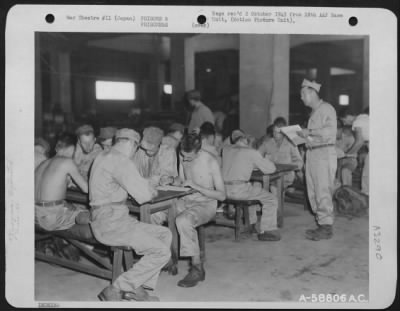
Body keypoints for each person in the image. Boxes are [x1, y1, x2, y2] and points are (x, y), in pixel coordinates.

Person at [89, 128, 172, 302]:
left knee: (164, 234)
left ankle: (137, 287)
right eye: (136, 148)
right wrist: (151, 188)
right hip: (112, 223)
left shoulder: (103, 156)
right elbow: (144, 196)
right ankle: (118, 288)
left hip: (109, 219)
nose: (135, 152)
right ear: (131, 144)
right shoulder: (121, 161)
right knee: (162, 252)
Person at [151, 133, 226, 288]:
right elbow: (182, 179)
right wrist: (171, 180)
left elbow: (222, 195)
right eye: (182, 156)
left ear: (198, 151)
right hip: (186, 200)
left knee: (183, 220)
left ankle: (197, 268)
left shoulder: (211, 162)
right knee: (155, 213)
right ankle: (163, 257)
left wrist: (197, 187)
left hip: (206, 203)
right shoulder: (183, 153)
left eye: (188, 158)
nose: (184, 160)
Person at [297, 79, 337, 241]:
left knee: (322, 190)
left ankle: (326, 227)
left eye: (303, 95)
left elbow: (330, 131)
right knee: (313, 191)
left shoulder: (326, 109)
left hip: (323, 154)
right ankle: (322, 224)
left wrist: (309, 131)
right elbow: (313, 135)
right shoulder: (314, 113)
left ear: (312, 93)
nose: (301, 98)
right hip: (313, 153)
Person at [222, 129, 280, 241]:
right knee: (271, 199)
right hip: (239, 190)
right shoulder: (250, 152)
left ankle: (251, 225)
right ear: (246, 141)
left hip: (223, 190)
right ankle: (267, 230)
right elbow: (271, 169)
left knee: (253, 190)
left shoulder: (226, 149)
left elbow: (238, 163)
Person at [35, 133, 90, 231]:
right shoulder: (67, 162)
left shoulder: (44, 163)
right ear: (73, 147)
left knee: (73, 208)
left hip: (35, 215)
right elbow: (86, 189)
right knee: (91, 214)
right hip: (50, 219)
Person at [258, 117, 303, 189]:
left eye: (277, 132)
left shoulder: (291, 144)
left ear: (283, 133)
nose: (275, 134)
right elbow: (257, 155)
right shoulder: (268, 143)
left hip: (286, 178)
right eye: (273, 132)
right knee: (258, 184)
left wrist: (287, 167)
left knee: (274, 188)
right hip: (271, 176)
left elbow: (299, 163)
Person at [346, 107, 369, 195]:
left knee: (367, 182)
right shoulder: (365, 118)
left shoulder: (357, 122)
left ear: (348, 116)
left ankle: (366, 205)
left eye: (344, 119)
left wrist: (347, 154)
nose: (345, 123)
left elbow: (359, 141)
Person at [335, 119, 357, 187]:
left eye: (336, 131)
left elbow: (352, 155)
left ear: (341, 129)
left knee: (345, 171)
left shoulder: (349, 138)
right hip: (335, 161)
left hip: (350, 160)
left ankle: (347, 190)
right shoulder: (330, 139)